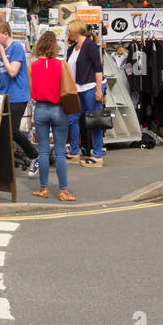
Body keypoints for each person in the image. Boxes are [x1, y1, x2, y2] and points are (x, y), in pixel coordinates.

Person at [29, 30, 76, 201]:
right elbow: (70, 87)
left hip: (41, 109)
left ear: (40, 45)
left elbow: (31, 92)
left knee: (42, 151)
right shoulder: (62, 64)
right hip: (59, 109)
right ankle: (63, 191)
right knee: (60, 152)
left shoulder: (32, 66)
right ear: (55, 46)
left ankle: (43, 189)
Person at [0, 21, 39, 177]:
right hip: (5, 96)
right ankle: (3, 165)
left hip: (18, 96)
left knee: (11, 130)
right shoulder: (1, 50)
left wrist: (2, 54)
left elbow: (13, 71)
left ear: (5, 34)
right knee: (2, 131)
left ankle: (34, 155)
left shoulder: (16, 48)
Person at [64, 20, 107, 165]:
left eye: (70, 31)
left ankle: (97, 155)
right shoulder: (72, 48)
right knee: (71, 119)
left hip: (90, 88)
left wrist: (98, 89)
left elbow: (98, 68)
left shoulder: (90, 46)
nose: (68, 34)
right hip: (77, 90)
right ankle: (75, 152)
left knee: (95, 121)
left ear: (76, 31)